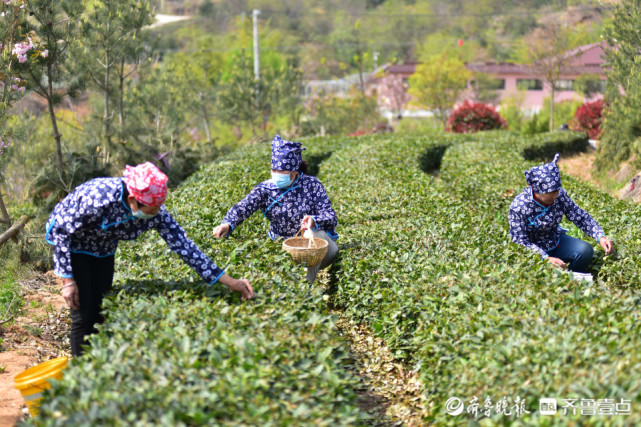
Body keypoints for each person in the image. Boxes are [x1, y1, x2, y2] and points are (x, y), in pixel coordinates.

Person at [46, 162, 253, 356]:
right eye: (150, 211)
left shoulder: (157, 213)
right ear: (132, 201)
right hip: (73, 241)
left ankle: (97, 362)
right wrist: (68, 281)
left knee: (100, 306)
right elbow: (62, 230)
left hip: (103, 246)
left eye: (157, 210)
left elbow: (187, 249)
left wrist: (230, 282)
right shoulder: (100, 198)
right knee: (83, 311)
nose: (154, 215)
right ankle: (81, 369)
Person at [213, 135, 338, 283]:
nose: (277, 174)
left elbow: (331, 217)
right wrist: (228, 223)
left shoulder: (312, 185)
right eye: (274, 170)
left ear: (295, 172)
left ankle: (306, 288)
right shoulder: (266, 189)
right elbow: (243, 207)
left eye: (282, 172)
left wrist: (313, 220)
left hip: (322, 251)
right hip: (285, 251)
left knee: (310, 232)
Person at [508, 153, 613, 274]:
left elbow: (580, 217)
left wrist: (600, 236)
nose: (554, 196)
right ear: (536, 190)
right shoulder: (518, 207)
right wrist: (544, 258)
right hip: (533, 248)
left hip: (555, 240)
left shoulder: (559, 196)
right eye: (550, 194)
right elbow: (520, 241)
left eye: (556, 191)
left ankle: (572, 280)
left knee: (585, 251)